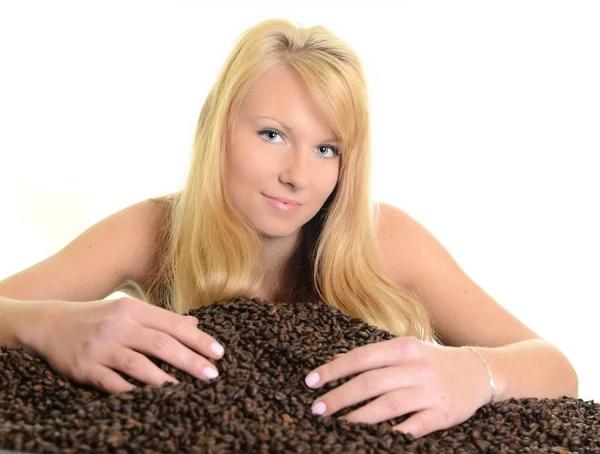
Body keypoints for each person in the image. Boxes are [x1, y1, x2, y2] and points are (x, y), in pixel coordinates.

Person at [0, 18, 578, 439]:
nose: (297, 175)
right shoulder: (155, 229)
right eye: (271, 134)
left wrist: (475, 373)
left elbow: (555, 367)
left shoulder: (384, 240)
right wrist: (48, 324)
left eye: (326, 148)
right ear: (219, 129)